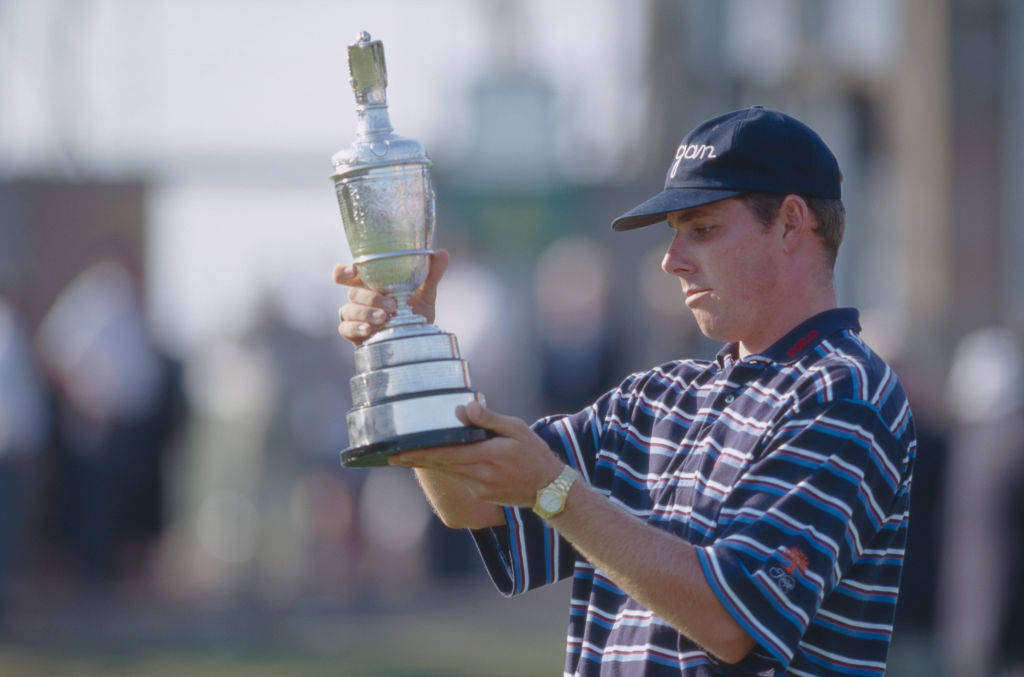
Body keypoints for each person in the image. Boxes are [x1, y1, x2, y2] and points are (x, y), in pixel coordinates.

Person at [334, 106, 916, 676]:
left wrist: (555, 489)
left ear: (792, 223)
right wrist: (410, 344)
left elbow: (732, 619)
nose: (671, 260)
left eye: (703, 230)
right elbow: (474, 503)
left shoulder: (846, 393)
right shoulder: (656, 398)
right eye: (674, 234)